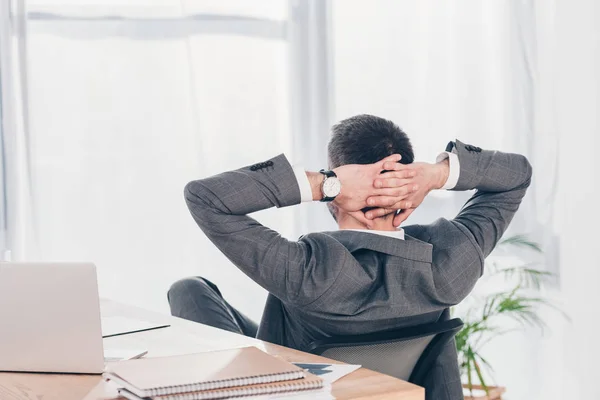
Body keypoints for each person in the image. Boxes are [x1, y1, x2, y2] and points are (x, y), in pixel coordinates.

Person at [168, 114, 532, 400]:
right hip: (370, 386)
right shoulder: (451, 260)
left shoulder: (309, 270)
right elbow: (517, 175)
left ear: (343, 175)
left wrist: (324, 184)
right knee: (196, 289)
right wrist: (438, 174)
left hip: (287, 389)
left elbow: (205, 197)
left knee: (188, 291)